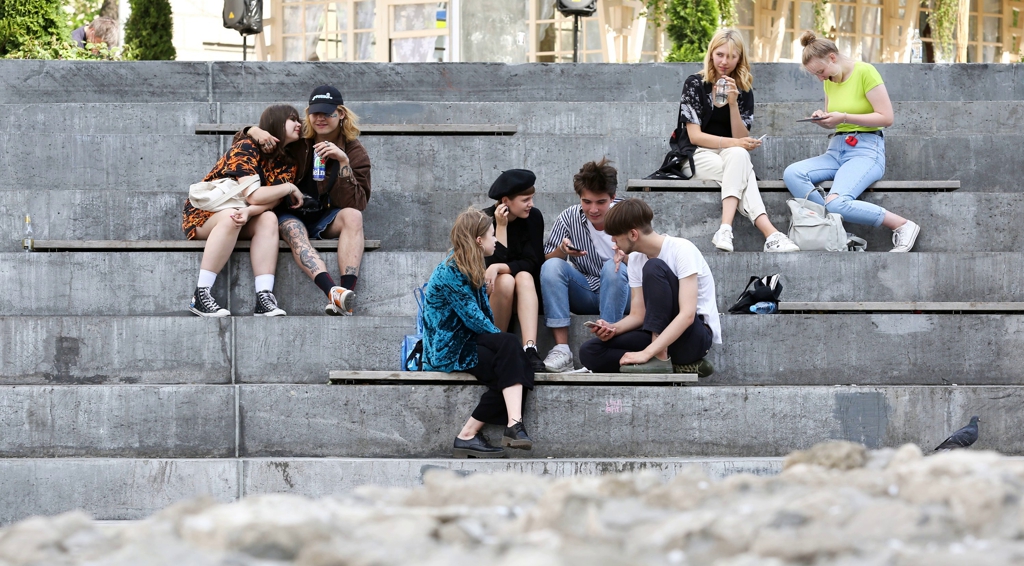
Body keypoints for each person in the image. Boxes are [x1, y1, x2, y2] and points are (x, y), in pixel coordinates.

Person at [784, 31, 920, 252]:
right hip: (836, 149)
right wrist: (823, 119)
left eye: (820, 71)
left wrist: (845, 117)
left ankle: (902, 225)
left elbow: (887, 118)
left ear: (832, 58)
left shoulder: (865, 72)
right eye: (815, 75)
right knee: (793, 173)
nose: (820, 78)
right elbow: (835, 121)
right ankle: (833, 229)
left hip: (866, 150)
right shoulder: (829, 81)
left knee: (836, 202)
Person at [421, 208, 535, 459]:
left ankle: (469, 434)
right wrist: (505, 345)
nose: (496, 240)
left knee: (516, 366)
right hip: (447, 349)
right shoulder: (450, 270)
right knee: (513, 355)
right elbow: (476, 320)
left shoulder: (472, 265)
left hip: (467, 342)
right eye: (492, 235)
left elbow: (484, 319)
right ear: (478, 240)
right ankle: (513, 426)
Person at [247, 85, 371, 314]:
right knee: (294, 231)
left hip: (325, 215)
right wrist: (252, 130)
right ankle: (333, 293)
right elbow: (245, 144)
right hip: (288, 212)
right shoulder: (298, 137)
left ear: (341, 114)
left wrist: (343, 162)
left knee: (353, 216)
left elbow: (357, 203)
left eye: (327, 113)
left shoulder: (354, 151)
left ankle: (345, 295)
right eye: (315, 113)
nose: (320, 118)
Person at [676, 29, 799, 254]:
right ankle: (771, 233)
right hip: (695, 155)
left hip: (729, 156)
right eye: (720, 54)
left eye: (732, 56)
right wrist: (736, 144)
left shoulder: (743, 88)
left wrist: (733, 103)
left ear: (740, 58)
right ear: (711, 53)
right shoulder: (695, 84)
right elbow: (695, 136)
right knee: (742, 170)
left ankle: (725, 229)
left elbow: (740, 138)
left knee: (740, 156)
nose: (725, 62)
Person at [181, 104, 305, 317]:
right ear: (276, 122)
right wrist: (289, 187)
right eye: (292, 119)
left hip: (243, 212)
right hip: (204, 214)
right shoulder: (246, 147)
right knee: (231, 217)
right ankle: (200, 295)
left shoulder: (288, 163)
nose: (298, 124)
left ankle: (264, 297)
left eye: (298, 119)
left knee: (269, 218)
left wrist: (249, 212)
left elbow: (272, 201)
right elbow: (253, 195)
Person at [579, 199, 721, 377]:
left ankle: (659, 358)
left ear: (633, 234)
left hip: (692, 337)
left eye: (616, 236)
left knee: (654, 267)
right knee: (590, 351)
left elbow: (687, 315)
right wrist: (613, 328)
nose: (613, 242)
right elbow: (638, 315)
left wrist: (647, 352)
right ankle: (675, 366)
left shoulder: (682, 249)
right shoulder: (635, 259)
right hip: (660, 336)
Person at [539, 158, 630, 373]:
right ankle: (562, 350)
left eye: (601, 202)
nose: (593, 209)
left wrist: (626, 257)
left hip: (623, 293)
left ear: (612, 197)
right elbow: (547, 259)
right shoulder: (569, 217)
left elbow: (651, 261)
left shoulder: (628, 214)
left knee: (612, 267)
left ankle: (607, 344)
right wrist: (562, 250)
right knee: (552, 266)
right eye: (587, 202)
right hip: (586, 292)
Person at [483, 169, 546, 373]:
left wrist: (498, 267)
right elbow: (490, 268)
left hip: (527, 292)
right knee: (505, 280)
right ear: (505, 201)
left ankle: (530, 348)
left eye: (532, 198)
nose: (531, 204)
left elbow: (533, 262)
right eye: (525, 200)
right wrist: (501, 227)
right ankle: (498, 347)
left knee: (523, 276)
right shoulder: (484, 220)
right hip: (494, 293)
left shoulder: (533, 218)